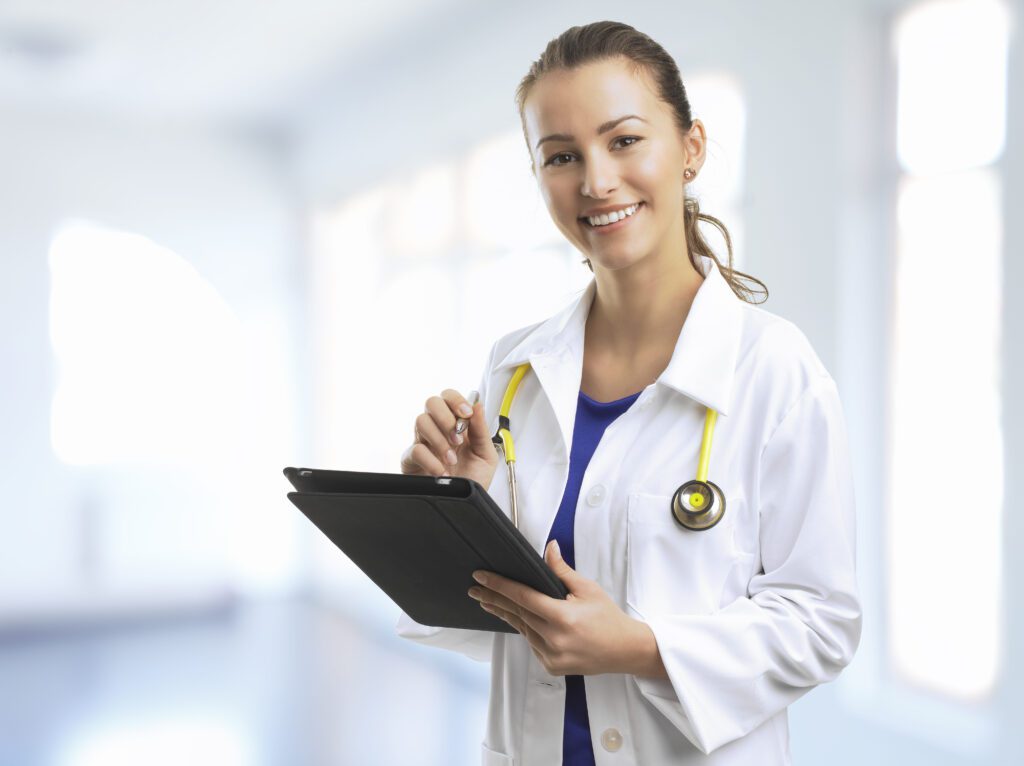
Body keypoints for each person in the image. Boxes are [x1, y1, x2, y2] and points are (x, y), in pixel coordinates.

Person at [396, 20, 861, 766]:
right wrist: (458, 508)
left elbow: (820, 622)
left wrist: (643, 648)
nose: (595, 181)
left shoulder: (775, 371)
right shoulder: (513, 368)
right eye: (561, 156)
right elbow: (500, 609)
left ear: (692, 150)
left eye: (623, 141)